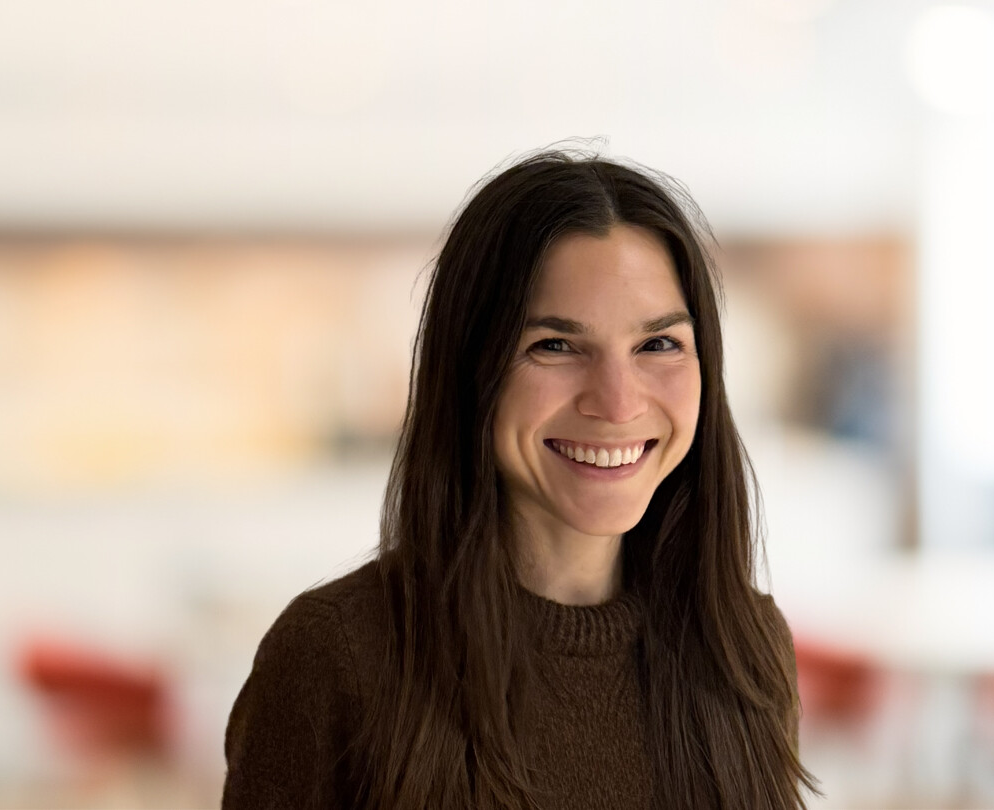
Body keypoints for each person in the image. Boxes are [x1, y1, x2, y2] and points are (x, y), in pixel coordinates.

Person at [222, 150, 815, 809]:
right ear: (472, 371)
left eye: (658, 344)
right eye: (555, 346)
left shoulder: (746, 645)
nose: (617, 403)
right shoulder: (334, 657)